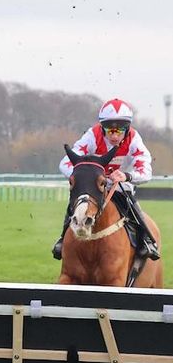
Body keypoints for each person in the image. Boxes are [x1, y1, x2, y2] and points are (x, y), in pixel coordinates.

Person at [52, 98, 160, 260]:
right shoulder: (92, 135)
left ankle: (146, 240)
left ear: (128, 127)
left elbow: (146, 171)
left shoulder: (134, 139)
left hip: (121, 186)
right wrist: (85, 176)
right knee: (76, 202)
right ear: (102, 127)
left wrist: (126, 176)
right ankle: (63, 238)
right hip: (94, 186)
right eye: (110, 129)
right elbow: (65, 163)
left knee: (130, 203)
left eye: (120, 129)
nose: (115, 135)